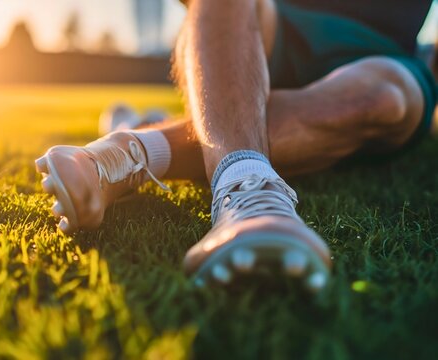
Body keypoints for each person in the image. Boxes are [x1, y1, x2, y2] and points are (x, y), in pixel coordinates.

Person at [35, 0, 437, 291]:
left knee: (384, 99)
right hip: (277, 21)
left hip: (386, 53)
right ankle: (247, 189)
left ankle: (134, 150)